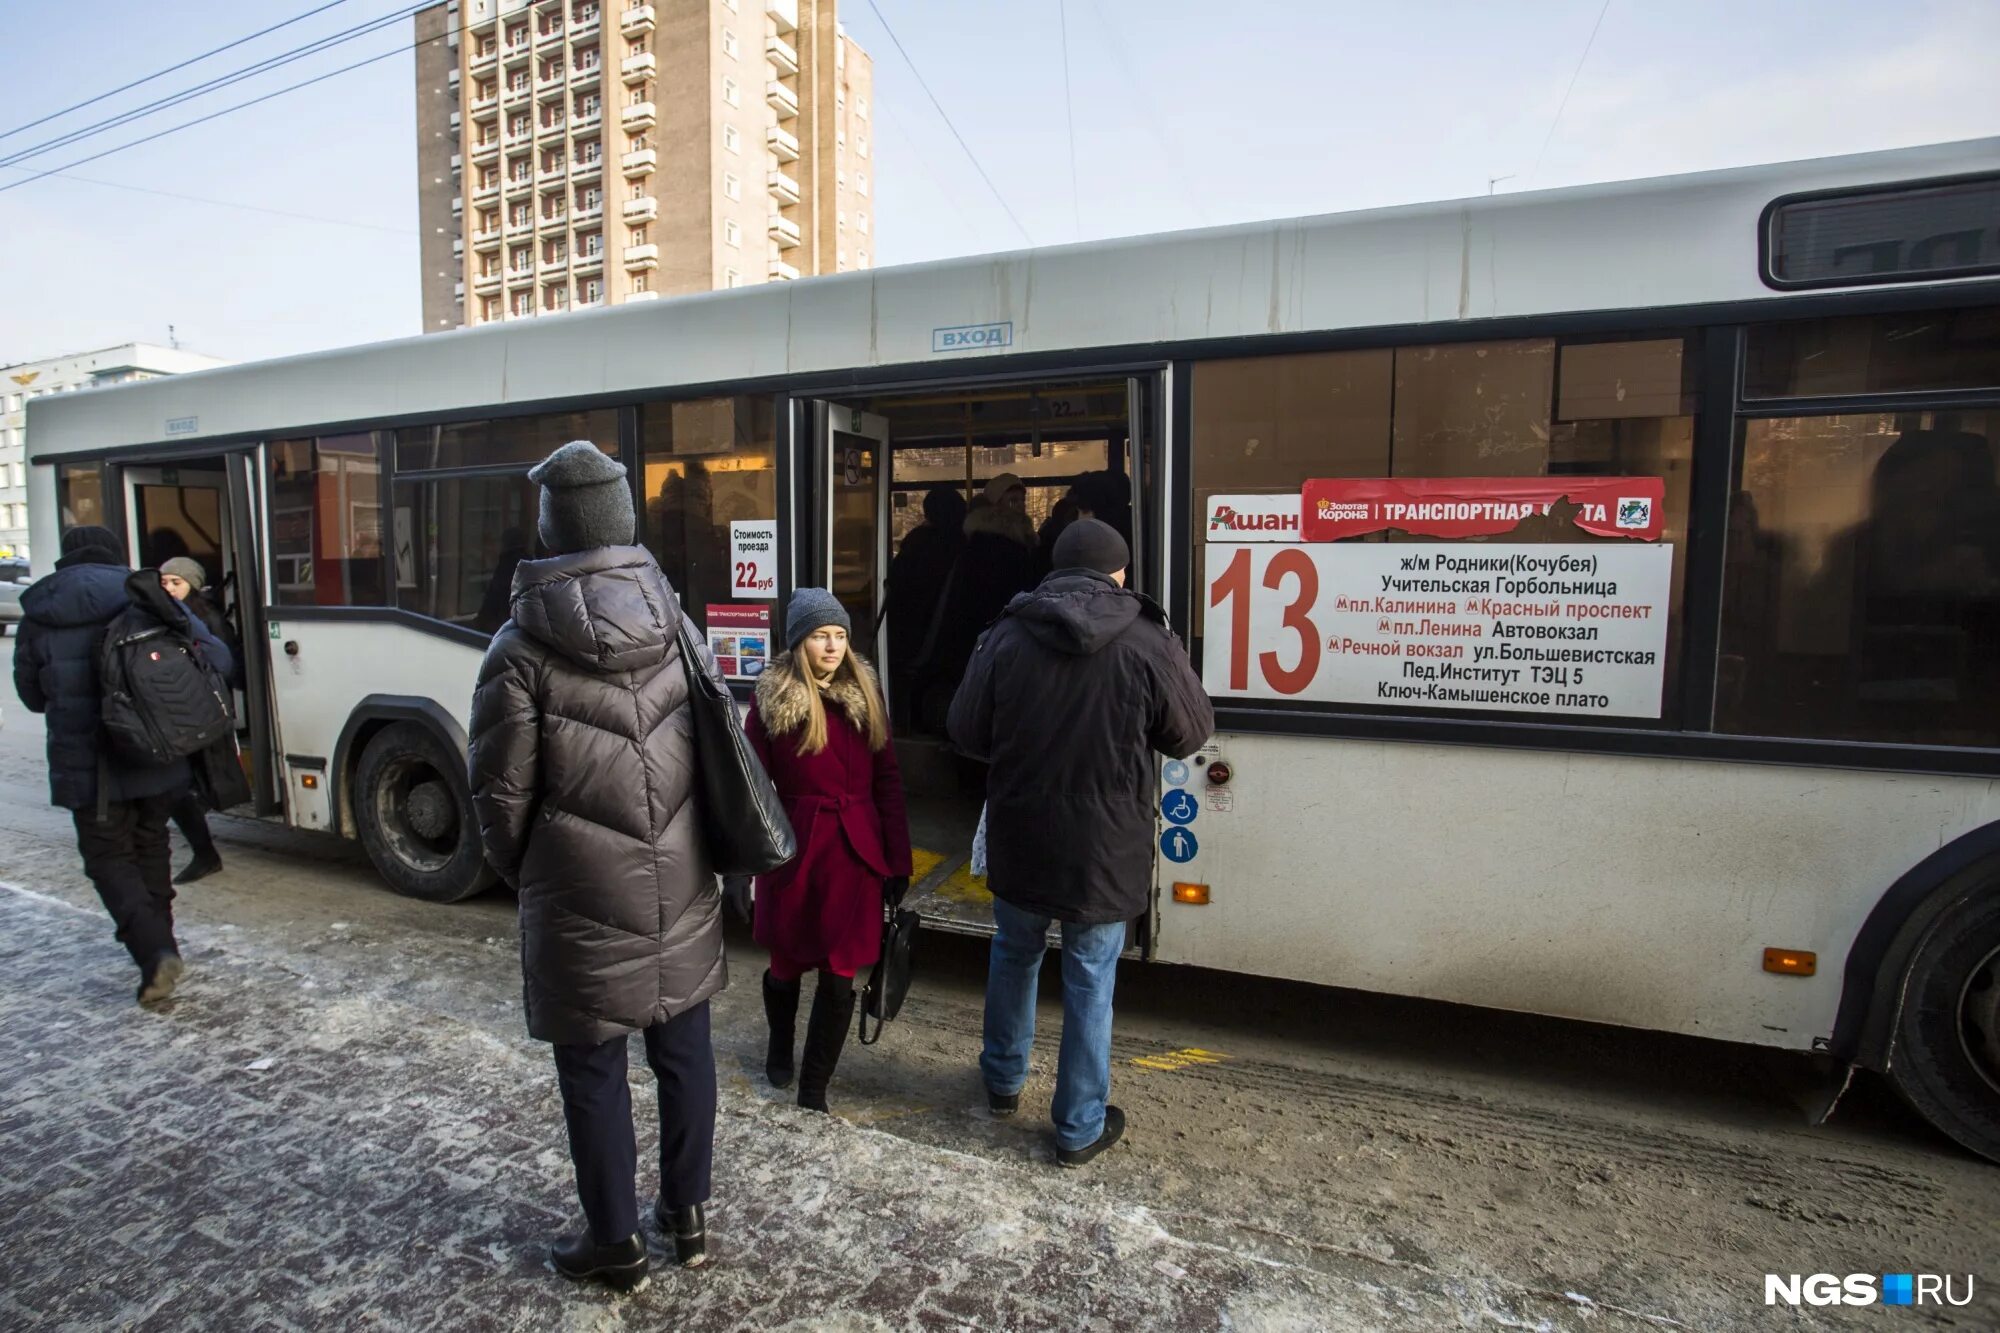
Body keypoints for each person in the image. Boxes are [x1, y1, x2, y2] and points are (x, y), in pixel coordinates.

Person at [468, 441, 725, 1291]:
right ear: (622, 524)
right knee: (684, 1050)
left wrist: (534, 871)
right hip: (682, 876)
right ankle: (685, 1218)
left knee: (594, 1069)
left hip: (578, 888)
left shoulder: (519, 647)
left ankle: (613, 1242)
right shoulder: (677, 623)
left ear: (551, 531)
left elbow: (500, 799)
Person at [948, 519, 1213, 1167]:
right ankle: (1078, 1126)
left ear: (1055, 569)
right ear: (1119, 573)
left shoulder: (1008, 633)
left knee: (1014, 952)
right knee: (1091, 976)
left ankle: (1003, 1082)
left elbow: (963, 728)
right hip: (1105, 845)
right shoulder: (1148, 640)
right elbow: (1189, 734)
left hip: (1023, 833)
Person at [12, 526, 236, 1006]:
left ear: (65, 560)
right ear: (116, 556)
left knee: (109, 860)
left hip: (87, 766)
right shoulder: (147, 597)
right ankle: (163, 945)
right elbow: (217, 658)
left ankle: (154, 951)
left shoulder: (39, 614)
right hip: (154, 751)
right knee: (152, 847)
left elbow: (31, 697)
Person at [734, 587, 911, 1114]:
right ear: (798, 644)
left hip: (856, 856)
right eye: (820, 636)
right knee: (786, 966)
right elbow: (750, 789)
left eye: (838, 636)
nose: (832, 646)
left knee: (841, 976)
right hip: (795, 853)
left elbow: (888, 783)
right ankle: (779, 1046)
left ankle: (815, 1087)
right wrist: (745, 867)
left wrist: (898, 862)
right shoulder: (772, 703)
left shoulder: (866, 698)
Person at [158, 556, 249, 883]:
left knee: (194, 779)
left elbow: (228, 665)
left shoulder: (206, 619)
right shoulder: (166, 617)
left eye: (176, 583)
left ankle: (202, 846)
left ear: (192, 586)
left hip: (203, 709)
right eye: (164, 582)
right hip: (181, 709)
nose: (168, 588)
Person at [883, 484, 966, 728]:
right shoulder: (963, 547)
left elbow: (895, 585)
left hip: (909, 639)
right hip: (948, 641)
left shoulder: (914, 545)